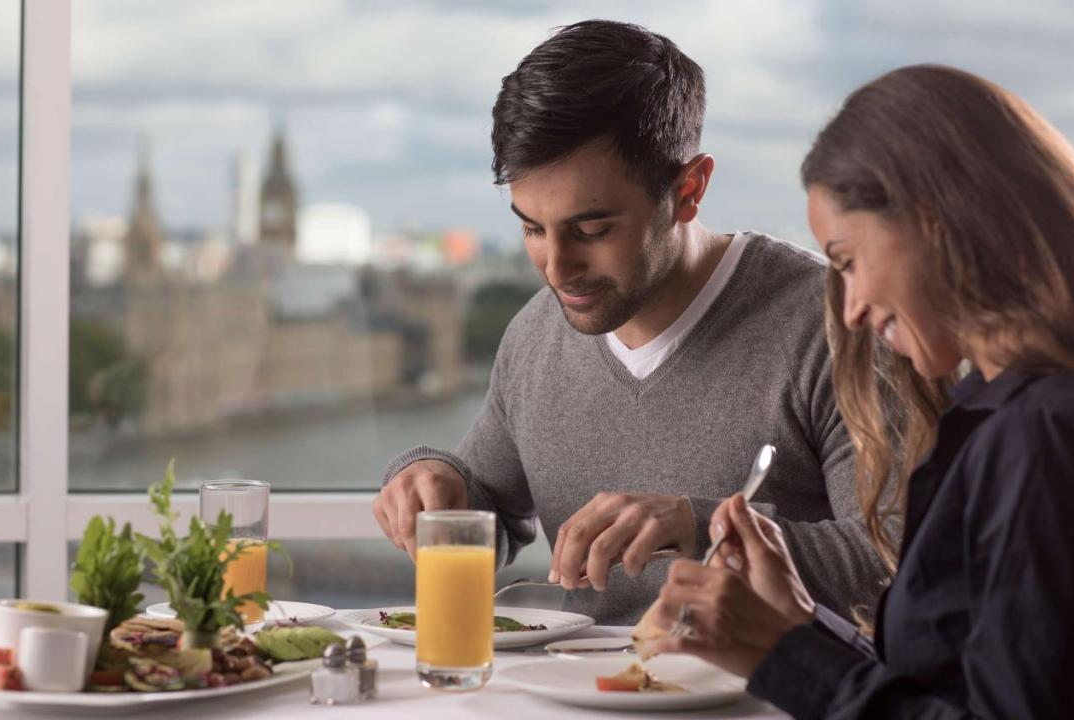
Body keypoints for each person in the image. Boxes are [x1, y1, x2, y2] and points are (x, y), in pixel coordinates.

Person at [645, 64, 1074, 718]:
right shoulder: (1009, 419)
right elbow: (950, 690)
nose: (851, 311)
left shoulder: (1044, 437)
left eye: (849, 262)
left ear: (937, 218)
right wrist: (800, 622)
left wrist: (782, 653)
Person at [372, 19, 887, 625]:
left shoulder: (840, 325)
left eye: (591, 230)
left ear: (688, 190)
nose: (557, 270)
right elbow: (489, 519)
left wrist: (701, 528)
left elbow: (900, 557)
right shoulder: (536, 334)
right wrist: (430, 479)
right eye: (532, 229)